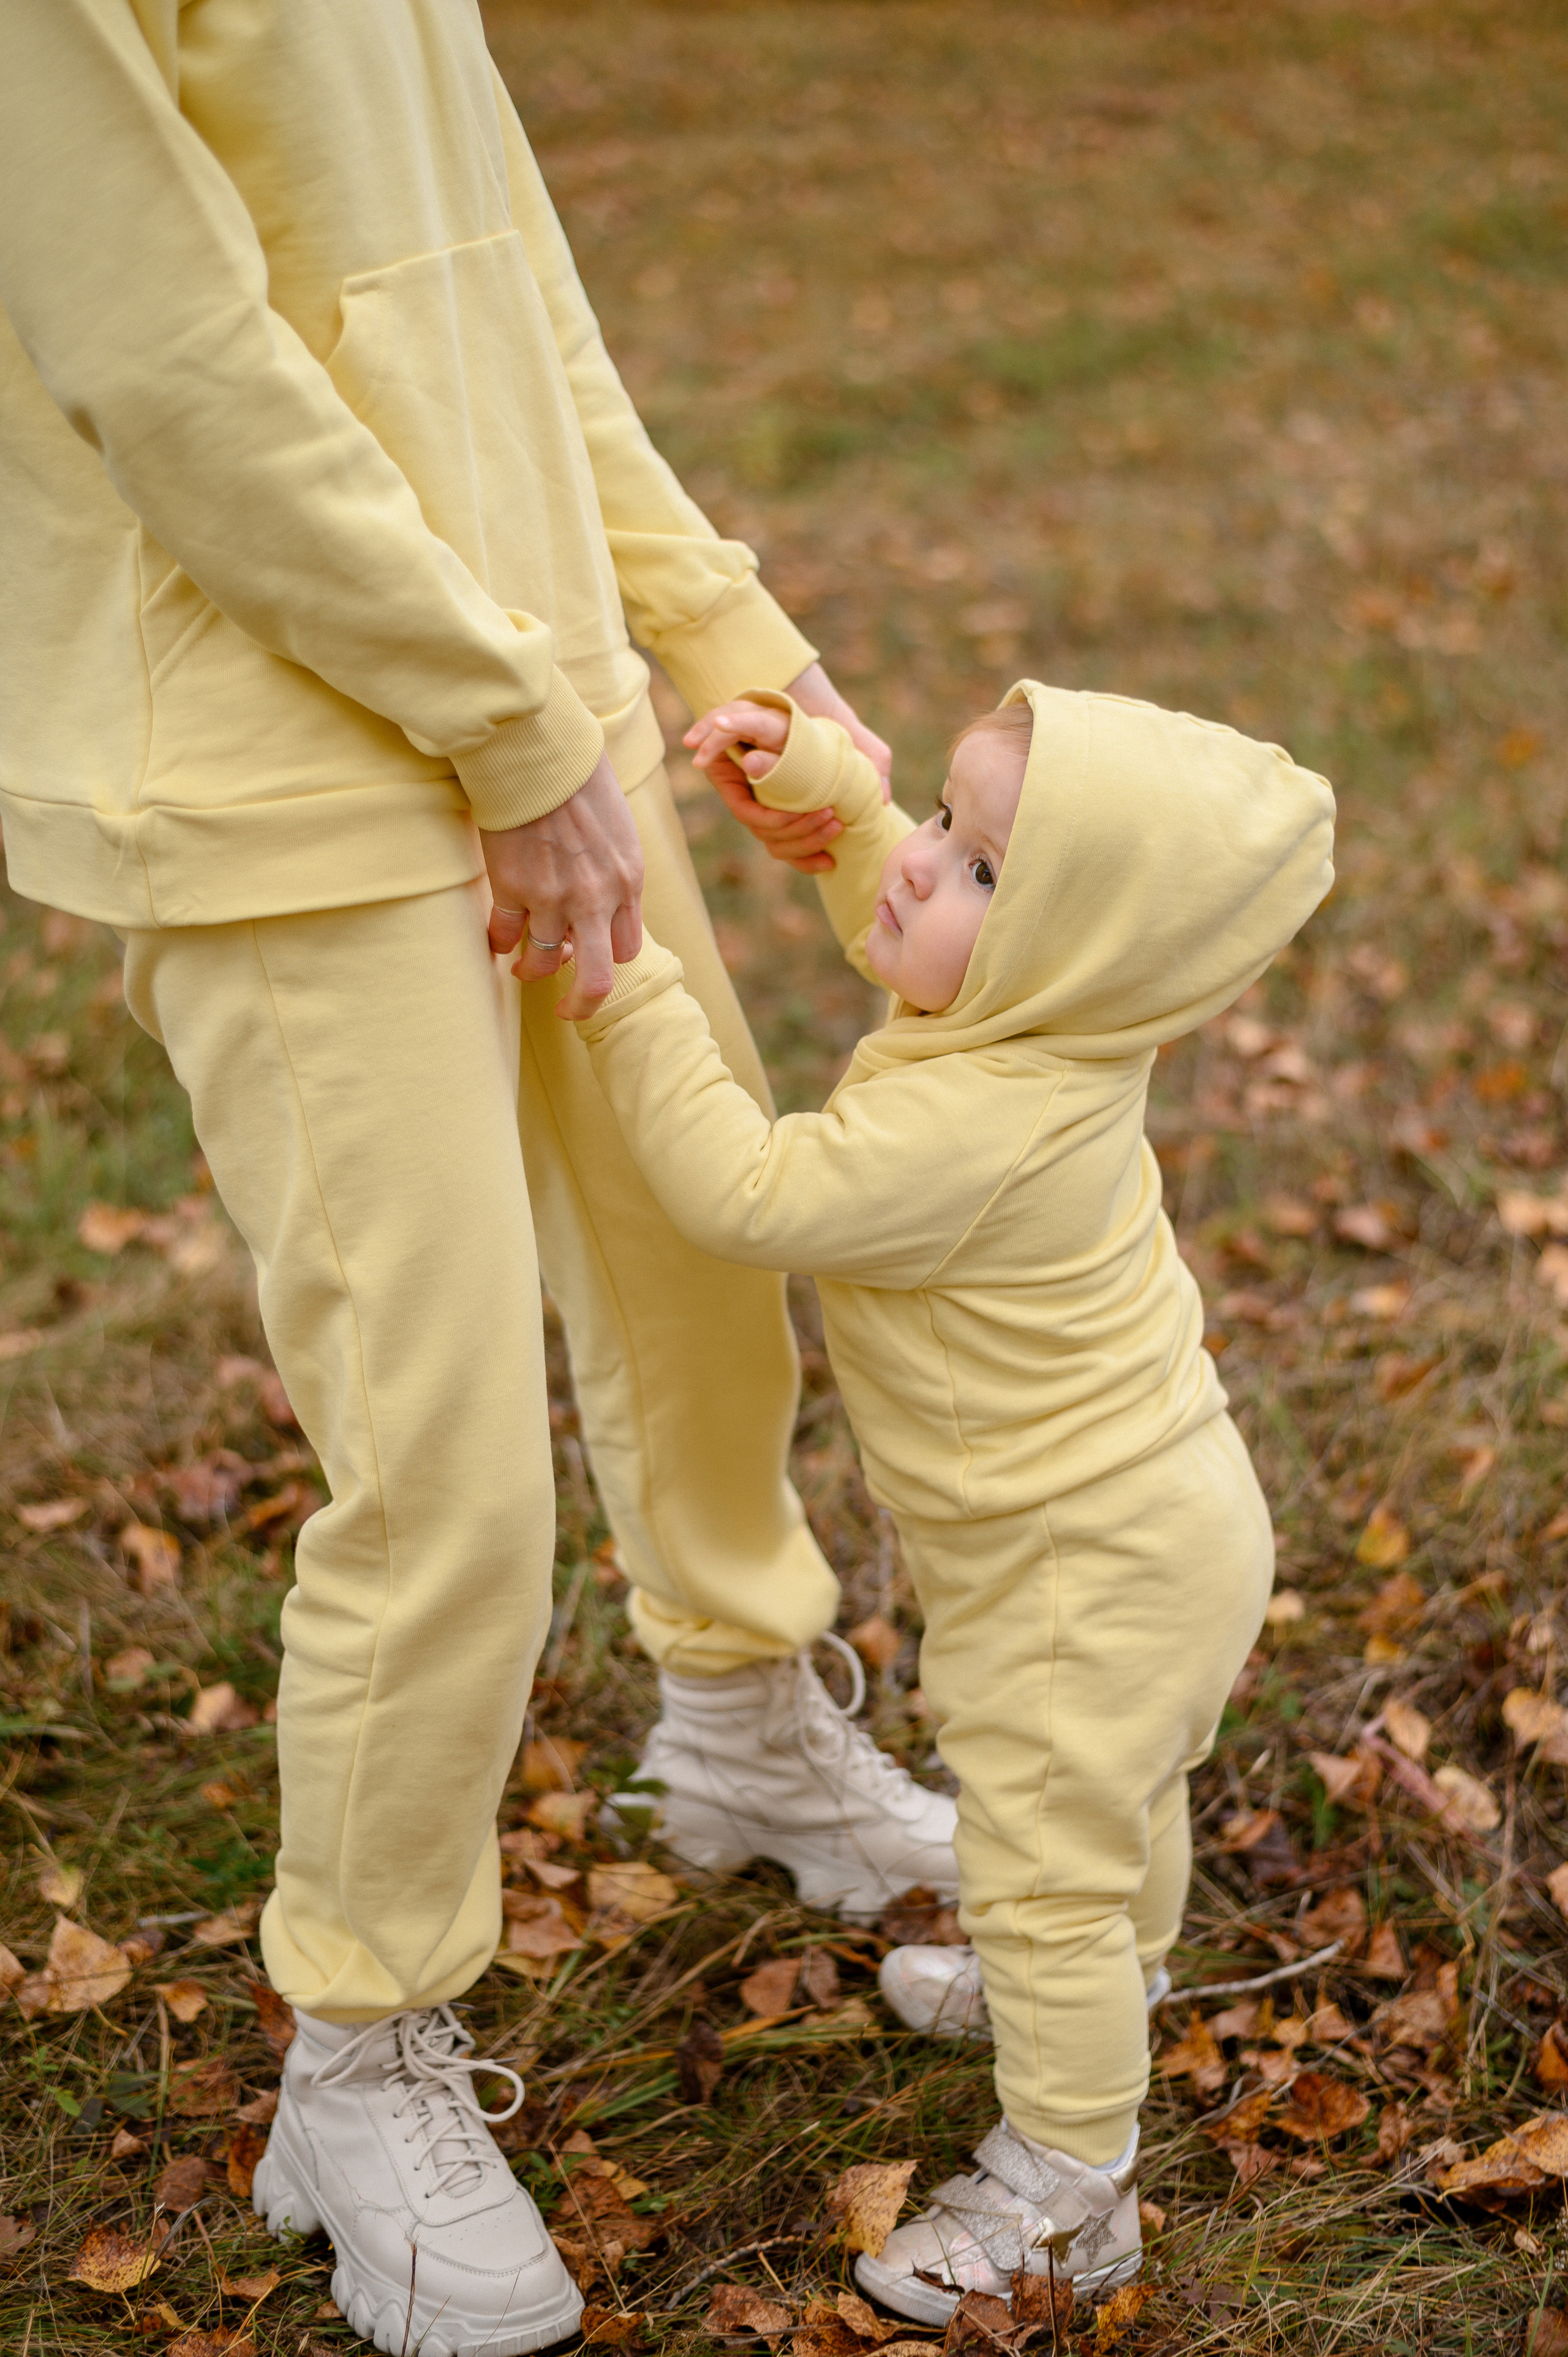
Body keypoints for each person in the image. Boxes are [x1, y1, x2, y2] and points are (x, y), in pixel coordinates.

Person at [0, 7, 957, 2353]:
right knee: (441, 1473)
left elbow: (504, 298)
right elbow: (163, 354)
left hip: (543, 727)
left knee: (700, 1268)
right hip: (289, 774)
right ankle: (358, 2054)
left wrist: (731, 645)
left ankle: (738, 1722)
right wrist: (511, 725)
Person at [570, 683, 1335, 2315]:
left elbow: (747, 1189)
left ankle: (1070, 2186)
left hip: (1083, 1555)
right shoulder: (1044, 1028)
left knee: (1051, 1837)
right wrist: (847, 804)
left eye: (977, 865)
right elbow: (918, 928)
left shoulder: (976, 1119)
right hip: (1157, 1515)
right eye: (943, 825)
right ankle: (1093, 1985)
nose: (920, 868)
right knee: (1107, 1807)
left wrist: (627, 979)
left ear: (1064, 949)